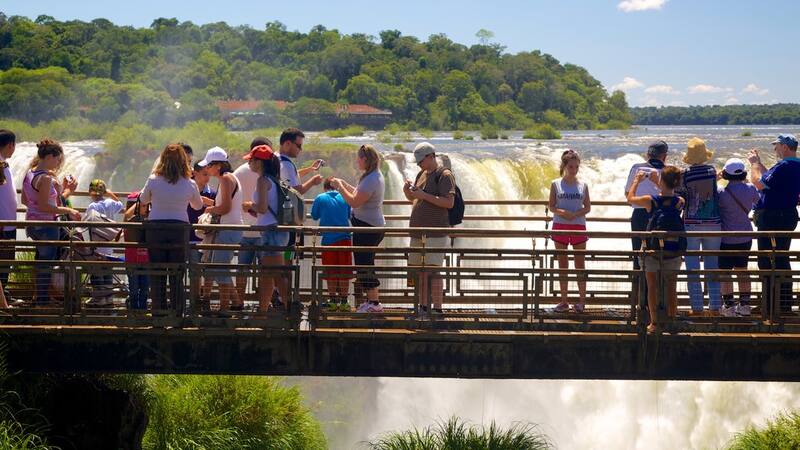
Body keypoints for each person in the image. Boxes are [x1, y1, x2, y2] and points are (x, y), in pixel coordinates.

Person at [139, 144, 204, 313]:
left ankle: (158, 314)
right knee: (177, 272)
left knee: (157, 272)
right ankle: (177, 314)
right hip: (179, 229)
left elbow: (143, 199)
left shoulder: (154, 180)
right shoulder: (189, 183)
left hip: (156, 229)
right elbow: (198, 206)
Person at [20, 139, 80, 305]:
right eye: (57, 159)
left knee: (42, 261)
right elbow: (45, 206)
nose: (58, 162)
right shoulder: (45, 178)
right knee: (46, 263)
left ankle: (41, 297)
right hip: (46, 226)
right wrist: (68, 210)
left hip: (32, 225)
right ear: (48, 157)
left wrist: (63, 188)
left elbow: (25, 200)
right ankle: (43, 301)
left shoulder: (30, 173)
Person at [747, 134, 800, 317]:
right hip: (788, 214)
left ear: (785, 147)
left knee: (766, 259)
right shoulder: (794, 165)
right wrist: (760, 164)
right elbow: (769, 178)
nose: (774, 149)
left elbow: (758, 183)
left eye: (776, 146)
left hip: (772, 217)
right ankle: (783, 303)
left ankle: (770, 304)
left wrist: (753, 164)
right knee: (782, 258)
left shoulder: (784, 166)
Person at [627, 166, 684, 334]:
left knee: (652, 286)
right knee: (671, 286)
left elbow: (630, 199)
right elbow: (668, 194)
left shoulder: (650, 200)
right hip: (673, 250)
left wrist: (637, 181)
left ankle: (654, 323)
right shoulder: (680, 201)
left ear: (661, 181)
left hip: (652, 251)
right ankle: (671, 321)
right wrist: (659, 182)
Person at [331, 145, 386, 313]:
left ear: (366, 159)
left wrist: (340, 187)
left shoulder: (372, 179)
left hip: (367, 228)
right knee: (364, 263)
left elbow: (354, 201)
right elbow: (357, 192)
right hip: (368, 226)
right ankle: (371, 301)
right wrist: (344, 184)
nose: (357, 161)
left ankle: (375, 303)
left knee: (365, 264)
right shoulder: (371, 176)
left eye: (359, 158)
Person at [403, 142, 455, 316]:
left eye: (421, 161)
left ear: (431, 156)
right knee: (420, 271)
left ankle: (438, 308)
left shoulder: (444, 175)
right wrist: (408, 192)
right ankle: (423, 306)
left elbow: (449, 202)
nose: (419, 164)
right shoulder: (421, 174)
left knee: (433, 270)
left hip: (435, 232)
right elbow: (415, 199)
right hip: (418, 232)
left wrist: (423, 195)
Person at [276, 128, 323, 305]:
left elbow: (291, 177)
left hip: (280, 218)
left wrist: (309, 170)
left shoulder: (278, 160)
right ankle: (285, 298)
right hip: (289, 220)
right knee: (288, 259)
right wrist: (313, 180)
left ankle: (281, 296)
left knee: (283, 256)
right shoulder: (286, 164)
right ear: (287, 143)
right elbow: (296, 189)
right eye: (298, 145)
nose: (300, 150)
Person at [678, 137, 721, 314]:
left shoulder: (684, 174)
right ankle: (715, 307)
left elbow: (680, 197)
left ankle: (697, 308)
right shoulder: (712, 171)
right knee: (712, 266)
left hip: (691, 224)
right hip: (713, 223)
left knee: (692, 268)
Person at [197, 147, 243, 312]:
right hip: (232, 228)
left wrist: (210, 210)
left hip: (227, 229)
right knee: (219, 267)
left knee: (219, 268)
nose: (206, 169)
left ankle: (225, 309)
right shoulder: (230, 178)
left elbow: (225, 208)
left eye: (208, 166)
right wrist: (212, 205)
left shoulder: (225, 179)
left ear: (217, 165)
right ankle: (235, 302)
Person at [247, 144, 290, 312]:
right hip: (277, 231)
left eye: (252, 159)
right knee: (272, 275)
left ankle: (286, 310)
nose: (249, 162)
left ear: (260, 162)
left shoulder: (263, 180)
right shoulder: (274, 179)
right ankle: (266, 310)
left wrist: (249, 205)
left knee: (274, 275)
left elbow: (263, 208)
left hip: (271, 232)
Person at [548, 149, 591, 313]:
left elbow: (587, 207)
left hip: (579, 226)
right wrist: (563, 213)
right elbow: (551, 206)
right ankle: (564, 300)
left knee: (580, 264)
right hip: (560, 225)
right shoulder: (556, 184)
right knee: (563, 265)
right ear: (564, 166)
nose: (574, 170)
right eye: (571, 167)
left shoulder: (583, 185)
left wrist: (576, 214)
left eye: (576, 167)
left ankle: (581, 301)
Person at [717, 158, 759, 317]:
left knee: (725, 273)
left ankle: (729, 307)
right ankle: (745, 305)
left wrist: (718, 177)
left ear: (726, 174)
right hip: (745, 236)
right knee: (742, 270)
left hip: (726, 237)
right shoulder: (750, 189)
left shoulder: (721, 192)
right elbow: (757, 201)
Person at [234, 137, 272, 302]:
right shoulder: (269, 176)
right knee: (266, 271)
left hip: (244, 229)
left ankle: (239, 301)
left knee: (242, 270)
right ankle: (265, 305)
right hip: (264, 230)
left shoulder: (238, 172)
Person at [625, 140, 669, 270]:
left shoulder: (636, 168)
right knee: (658, 254)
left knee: (638, 252)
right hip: (661, 216)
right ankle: (659, 287)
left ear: (648, 155)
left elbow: (627, 193)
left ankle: (639, 287)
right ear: (664, 156)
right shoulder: (668, 171)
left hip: (639, 214)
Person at [311, 177, 353, 309]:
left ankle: (333, 301)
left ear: (325, 187)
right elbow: (347, 215)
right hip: (345, 239)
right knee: (344, 272)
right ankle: (345, 302)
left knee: (331, 271)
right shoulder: (345, 197)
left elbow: (314, 215)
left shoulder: (320, 197)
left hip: (328, 240)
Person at [85, 178, 124, 306]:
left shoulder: (92, 206)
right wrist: (110, 193)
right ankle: (109, 297)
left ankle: (98, 298)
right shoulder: (110, 203)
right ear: (104, 191)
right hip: (109, 243)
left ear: (91, 192)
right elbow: (120, 204)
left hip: (97, 243)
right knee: (107, 270)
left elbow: (86, 222)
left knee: (96, 270)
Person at [187, 160, 216, 303]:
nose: (207, 178)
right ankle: (195, 300)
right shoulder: (186, 190)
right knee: (195, 272)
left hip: (207, 238)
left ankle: (205, 298)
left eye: (209, 174)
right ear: (195, 173)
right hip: (190, 236)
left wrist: (210, 203)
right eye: (204, 174)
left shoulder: (212, 194)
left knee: (208, 270)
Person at [123, 192, 149, 311]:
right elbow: (127, 216)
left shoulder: (149, 219)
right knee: (133, 288)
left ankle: (142, 310)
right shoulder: (130, 221)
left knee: (144, 287)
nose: (147, 208)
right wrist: (139, 201)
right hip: (132, 260)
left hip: (146, 261)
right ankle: (134, 309)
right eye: (144, 206)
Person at [0, 129, 17, 307]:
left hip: (8, 221)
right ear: (10, 145)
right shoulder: (0, 165)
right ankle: (2, 302)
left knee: (6, 262)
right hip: (3, 223)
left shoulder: (4, 164)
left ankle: (4, 295)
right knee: (3, 261)